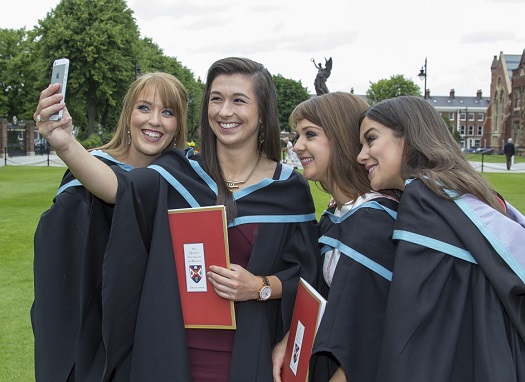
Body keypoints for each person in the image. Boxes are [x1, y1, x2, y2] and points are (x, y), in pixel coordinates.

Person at [37, 57, 319, 381]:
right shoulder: (179, 173)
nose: (225, 111)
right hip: (171, 353)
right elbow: (117, 188)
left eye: (238, 100)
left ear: (263, 112)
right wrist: (65, 143)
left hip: (252, 352)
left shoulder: (287, 189)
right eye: (216, 99)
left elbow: (308, 277)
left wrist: (260, 287)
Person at [32, 72, 188, 381]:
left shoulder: (184, 181)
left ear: (179, 123)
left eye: (167, 112)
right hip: (97, 340)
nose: (155, 121)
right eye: (144, 107)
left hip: (159, 335)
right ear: (128, 113)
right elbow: (59, 279)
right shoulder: (85, 179)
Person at [357, 96, 525, 381]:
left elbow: (413, 325)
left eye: (370, 140)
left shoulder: (422, 199)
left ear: (409, 138)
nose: (361, 155)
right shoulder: (466, 192)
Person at [271, 92, 399, 382]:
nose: (297, 145)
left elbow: (371, 339)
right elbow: (322, 299)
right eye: (297, 135)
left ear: (341, 138)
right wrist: (288, 340)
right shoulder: (335, 218)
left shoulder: (374, 224)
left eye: (310, 134)